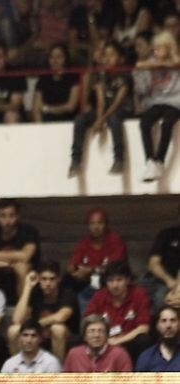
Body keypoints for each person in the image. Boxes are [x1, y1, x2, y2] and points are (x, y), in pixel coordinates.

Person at [69, 40, 132, 176]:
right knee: (80, 119)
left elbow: (117, 102)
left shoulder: (125, 75)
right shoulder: (101, 75)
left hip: (123, 108)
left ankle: (119, 158)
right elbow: (101, 101)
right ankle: (75, 161)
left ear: (120, 58)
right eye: (105, 55)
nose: (108, 59)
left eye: (112, 55)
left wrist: (102, 119)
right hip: (104, 109)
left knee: (113, 118)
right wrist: (98, 119)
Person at [133, 31, 180, 182]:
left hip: (175, 101)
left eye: (160, 48)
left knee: (167, 123)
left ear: (168, 48)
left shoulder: (175, 60)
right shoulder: (151, 63)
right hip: (156, 101)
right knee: (144, 122)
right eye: (155, 49)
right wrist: (143, 72)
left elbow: (175, 62)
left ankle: (160, 160)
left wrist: (162, 63)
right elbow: (142, 79)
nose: (156, 52)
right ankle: (150, 161)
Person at [83, 260, 151, 362]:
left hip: (129, 340)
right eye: (110, 280)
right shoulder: (100, 295)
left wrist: (118, 340)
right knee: (75, 340)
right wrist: (104, 339)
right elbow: (87, 322)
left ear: (127, 280)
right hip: (103, 340)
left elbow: (144, 328)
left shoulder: (139, 294)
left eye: (119, 280)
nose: (115, 285)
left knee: (143, 340)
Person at [66, 207, 127, 315]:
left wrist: (89, 270)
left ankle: (88, 321)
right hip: (86, 280)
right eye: (92, 223)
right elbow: (72, 264)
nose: (96, 227)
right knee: (67, 283)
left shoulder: (115, 240)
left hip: (109, 280)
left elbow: (113, 268)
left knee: (87, 293)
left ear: (106, 224)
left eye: (100, 223)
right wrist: (75, 271)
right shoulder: (84, 242)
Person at [9, 263, 76, 360]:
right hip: (37, 335)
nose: (48, 283)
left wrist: (36, 325)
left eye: (52, 279)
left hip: (62, 337)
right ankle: (20, 366)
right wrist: (28, 287)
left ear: (58, 279)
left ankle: (57, 367)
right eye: (44, 279)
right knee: (13, 330)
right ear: (39, 279)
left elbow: (61, 317)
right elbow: (16, 320)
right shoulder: (35, 292)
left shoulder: (67, 293)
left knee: (57, 328)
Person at [64, 314, 132, 372]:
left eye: (101, 331)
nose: (96, 335)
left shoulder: (120, 355)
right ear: (85, 336)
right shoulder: (74, 354)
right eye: (92, 331)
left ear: (107, 336)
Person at [141, 214, 180, 309]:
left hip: (175, 283)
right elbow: (153, 263)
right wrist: (170, 281)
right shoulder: (167, 234)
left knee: (161, 298)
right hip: (155, 278)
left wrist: (177, 288)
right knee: (132, 291)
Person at [135, 305, 180, 372]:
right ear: (157, 326)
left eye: (173, 320)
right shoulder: (146, 357)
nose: (168, 325)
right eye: (163, 321)